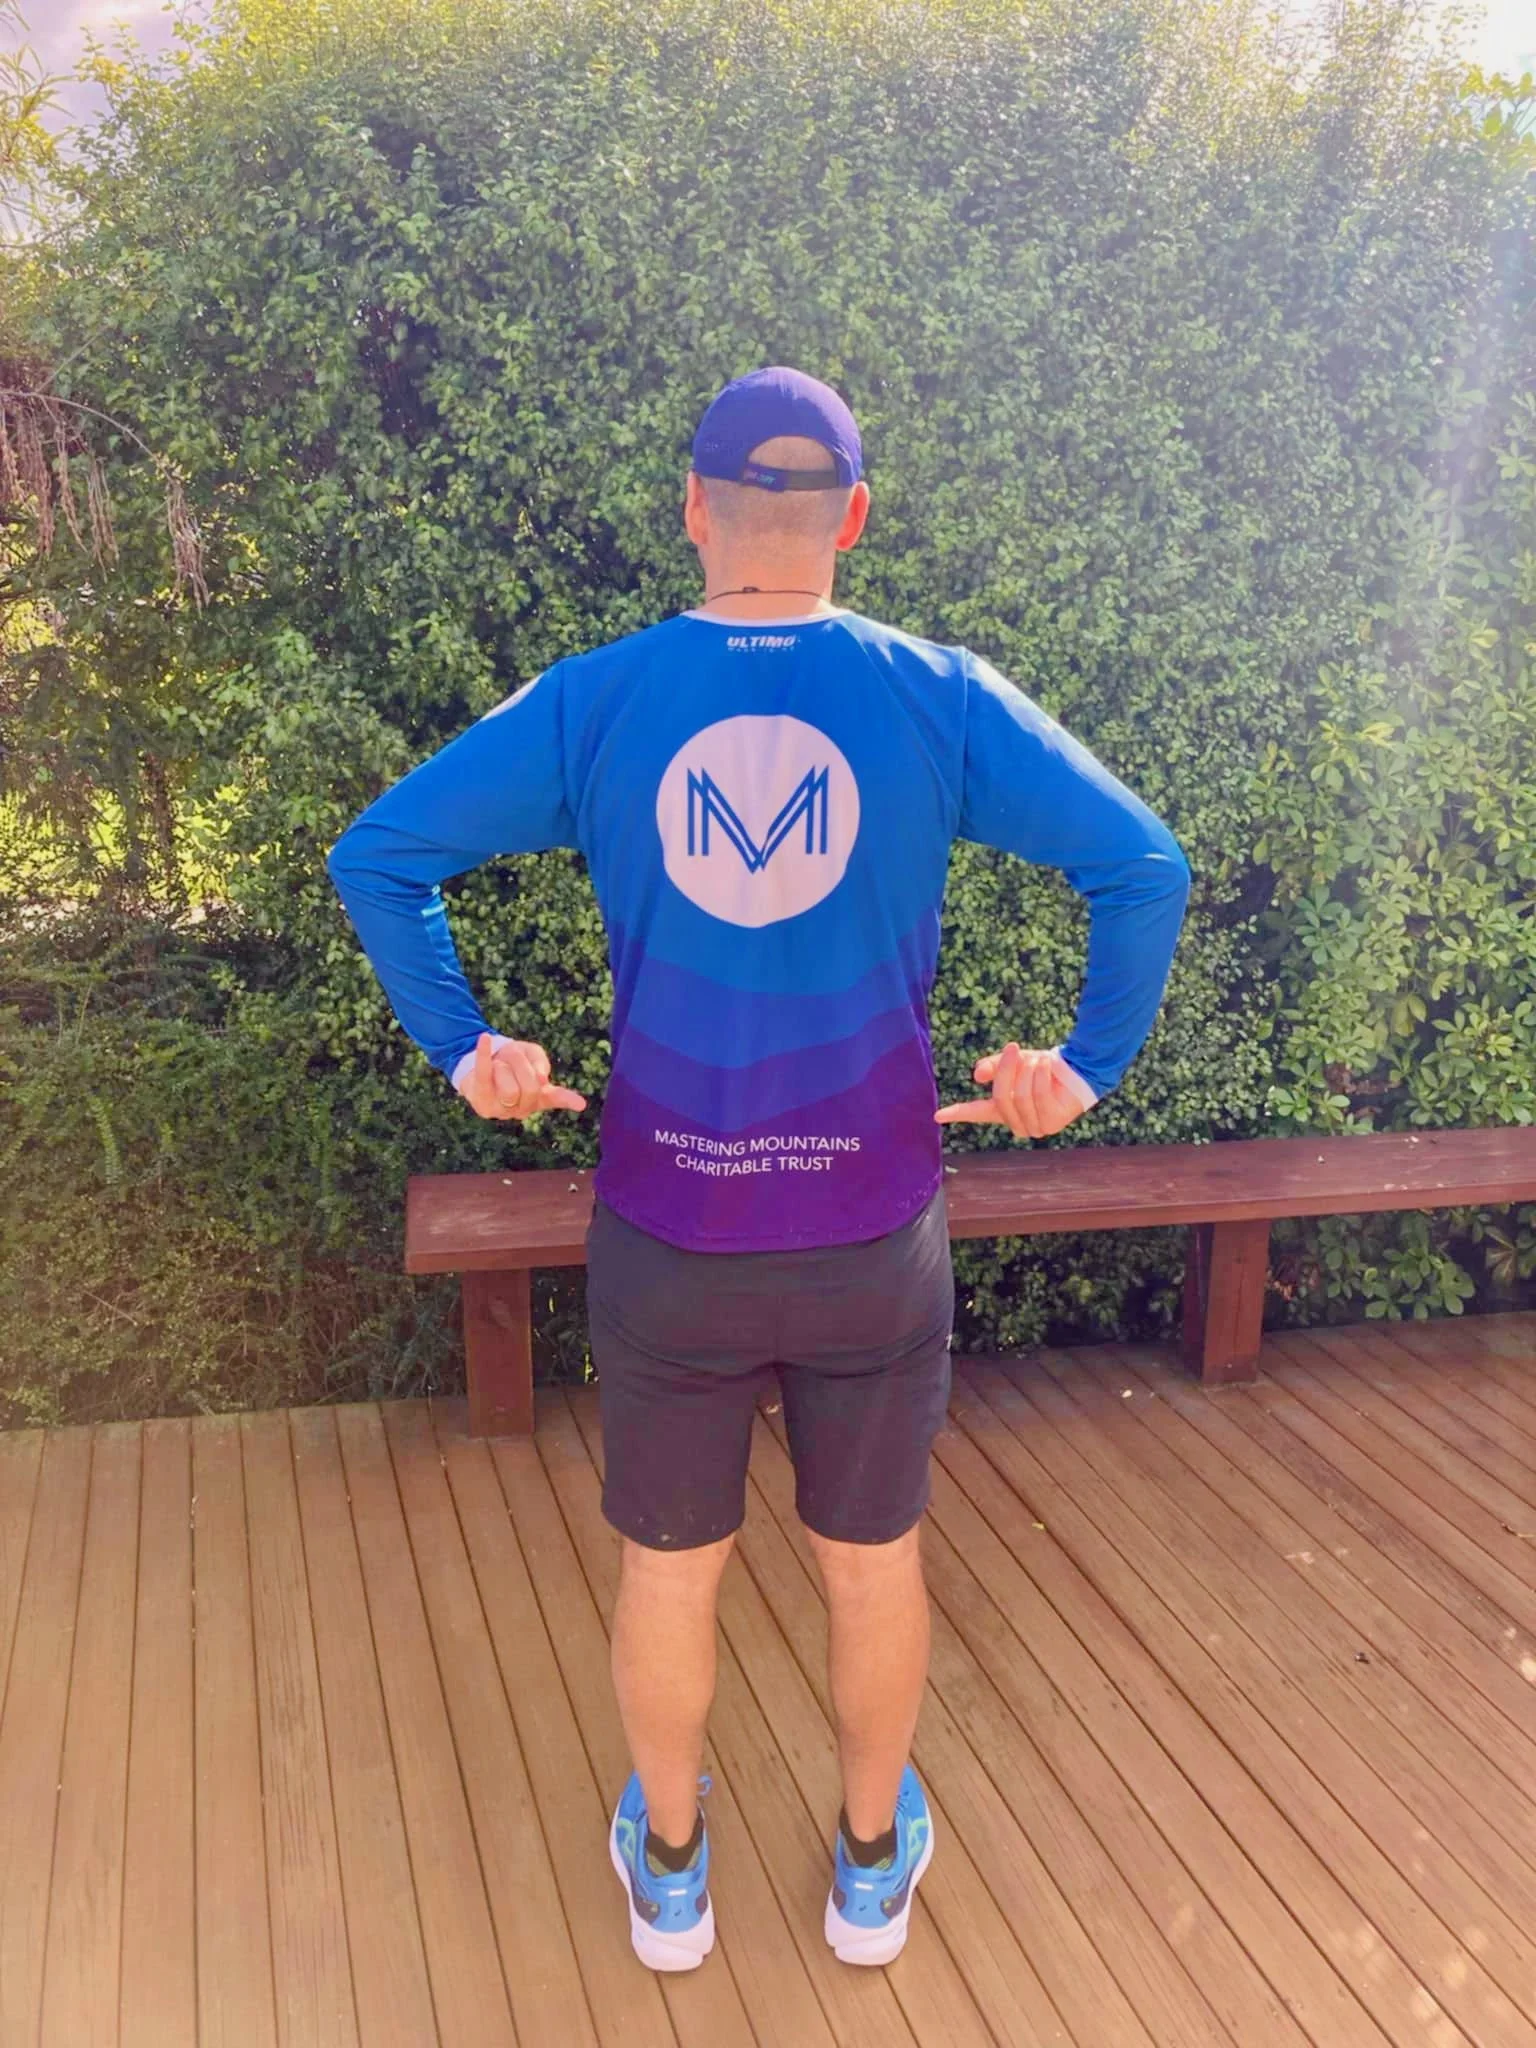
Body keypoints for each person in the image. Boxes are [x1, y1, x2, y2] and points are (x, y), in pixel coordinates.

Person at [326, 365, 1191, 1974]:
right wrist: (1079, 1070)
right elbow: (1144, 864)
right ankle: (872, 1867)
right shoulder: (936, 694)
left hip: (667, 1230)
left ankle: (671, 1871)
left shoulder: (596, 699)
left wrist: (470, 1047)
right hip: (873, 1231)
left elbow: (377, 854)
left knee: (671, 1565)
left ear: (691, 510)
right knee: (873, 1567)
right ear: (855, 519)